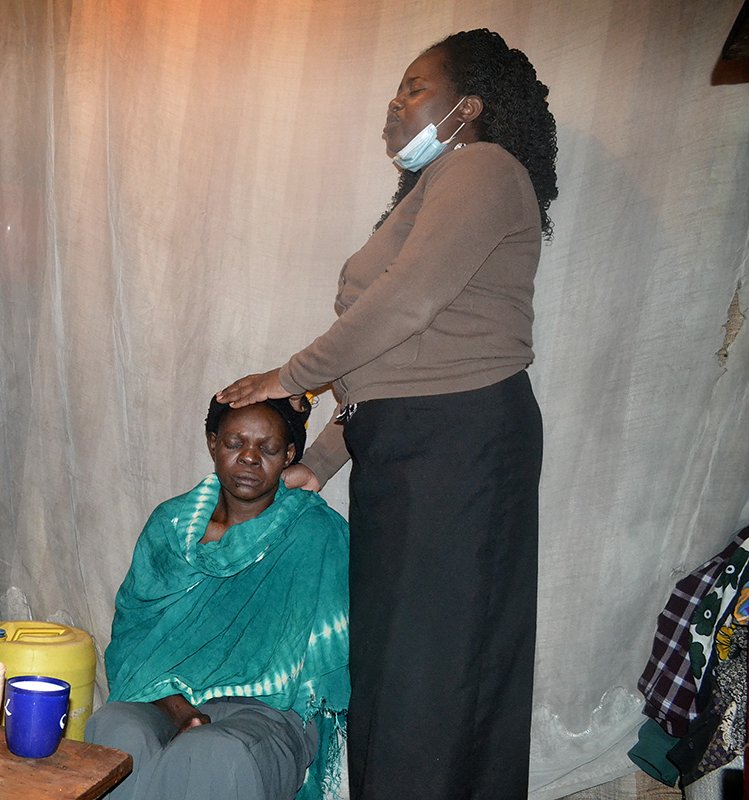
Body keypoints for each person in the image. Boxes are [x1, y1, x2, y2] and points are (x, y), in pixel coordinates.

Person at [216, 28, 558, 800]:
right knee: (396, 666)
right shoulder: (438, 187)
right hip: (412, 444)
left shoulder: (485, 167)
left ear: (468, 107)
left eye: (413, 87)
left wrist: (289, 379)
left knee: (435, 672)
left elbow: (406, 306)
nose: (395, 104)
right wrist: (327, 459)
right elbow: (396, 361)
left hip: (460, 444)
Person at [85, 395, 350, 800]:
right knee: (114, 731)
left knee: (213, 752)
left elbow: (327, 665)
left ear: (290, 455)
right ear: (212, 444)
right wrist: (182, 711)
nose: (249, 457)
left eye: (268, 448)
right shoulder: (171, 526)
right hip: (164, 697)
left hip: (268, 709)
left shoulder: (313, 532)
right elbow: (133, 640)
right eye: (234, 443)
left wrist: (197, 725)